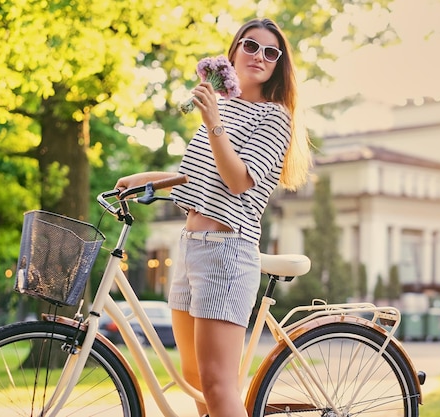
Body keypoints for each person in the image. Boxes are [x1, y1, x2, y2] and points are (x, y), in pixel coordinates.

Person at [114, 18, 311, 417]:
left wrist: (213, 121)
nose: (259, 56)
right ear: (234, 50)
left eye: (271, 53)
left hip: (226, 251)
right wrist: (143, 180)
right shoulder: (221, 108)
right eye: (251, 46)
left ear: (278, 66)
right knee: (196, 382)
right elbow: (197, 176)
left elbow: (238, 181)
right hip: (190, 250)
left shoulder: (275, 118)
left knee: (219, 388)